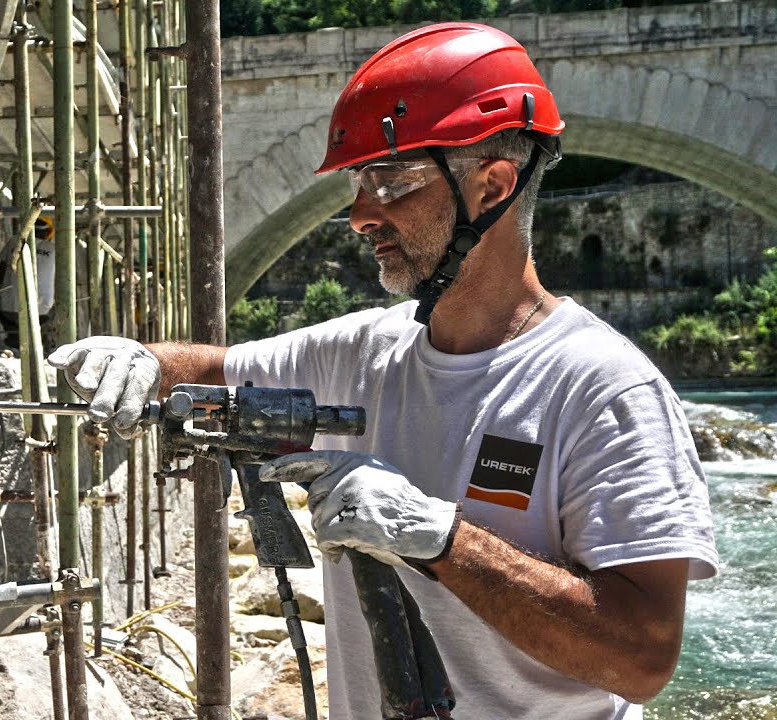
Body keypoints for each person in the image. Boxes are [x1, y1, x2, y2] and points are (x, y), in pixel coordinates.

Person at [47, 22, 718, 720]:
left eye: (392, 182)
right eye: (359, 183)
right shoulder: (360, 354)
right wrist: (139, 363)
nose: (360, 215)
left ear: (492, 186)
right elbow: (213, 370)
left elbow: (641, 660)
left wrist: (440, 539)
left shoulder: (602, 389)